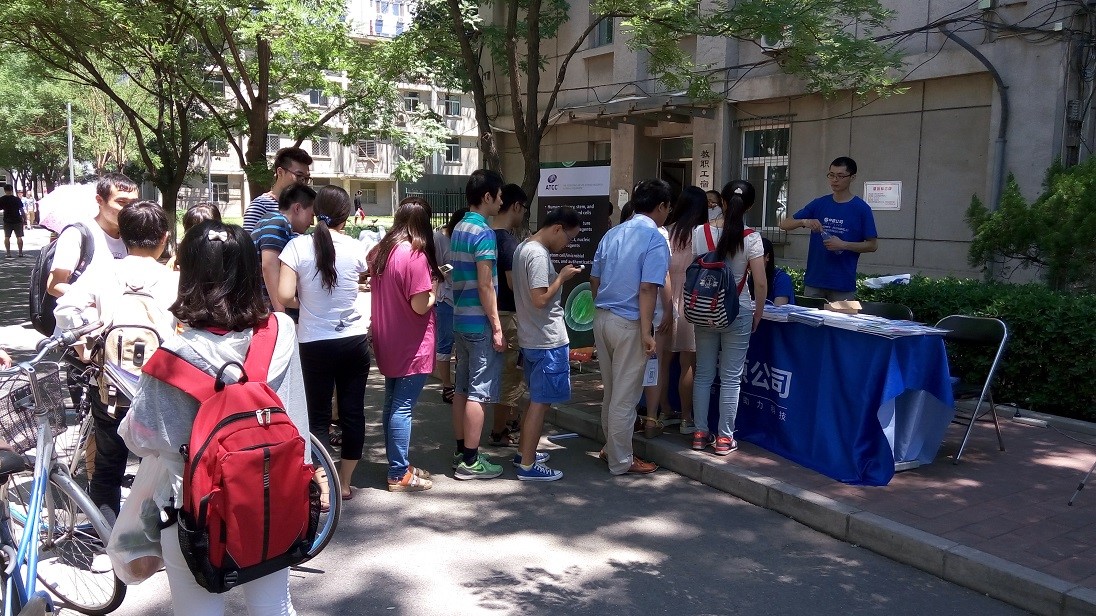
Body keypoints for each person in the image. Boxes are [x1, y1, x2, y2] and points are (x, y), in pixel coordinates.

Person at [120, 221, 307, 615]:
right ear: (250, 271)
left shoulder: (171, 358)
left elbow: (141, 439)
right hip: (271, 500)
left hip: (195, 515)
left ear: (188, 275)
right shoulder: (281, 330)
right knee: (273, 607)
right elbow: (295, 414)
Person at [277, 186, 368, 501]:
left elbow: (284, 295)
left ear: (315, 211)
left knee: (316, 416)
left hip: (314, 343)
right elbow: (362, 275)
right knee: (353, 413)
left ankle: (324, 487)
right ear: (346, 216)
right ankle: (345, 482)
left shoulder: (296, 247)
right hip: (354, 340)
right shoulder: (355, 247)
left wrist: (307, 304)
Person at [590, 179, 671, 475]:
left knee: (612, 393)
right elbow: (648, 288)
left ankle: (611, 449)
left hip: (603, 317)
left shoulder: (612, 233)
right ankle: (621, 460)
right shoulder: (655, 239)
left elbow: (594, 278)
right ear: (661, 206)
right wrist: (647, 331)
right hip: (629, 323)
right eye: (668, 207)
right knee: (624, 397)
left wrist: (603, 307)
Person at [369, 197, 442, 492]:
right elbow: (420, 306)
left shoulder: (380, 251)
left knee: (391, 403)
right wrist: (434, 290)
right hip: (412, 343)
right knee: (403, 407)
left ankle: (397, 464)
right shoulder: (415, 255)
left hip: (388, 339)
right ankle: (398, 472)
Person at [691, 180, 767, 456]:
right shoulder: (752, 238)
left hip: (704, 310)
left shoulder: (700, 232)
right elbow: (760, 282)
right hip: (738, 311)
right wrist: (758, 313)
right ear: (750, 206)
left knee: (703, 374)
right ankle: (724, 439)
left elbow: (695, 270)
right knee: (731, 379)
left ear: (722, 201)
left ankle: (700, 433)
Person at [512, 208, 583, 481]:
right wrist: (562, 277)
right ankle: (527, 465)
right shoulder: (538, 254)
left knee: (534, 401)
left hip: (532, 337)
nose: (568, 244)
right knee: (540, 404)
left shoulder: (523, 248)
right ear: (557, 228)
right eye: (569, 237)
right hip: (546, 340)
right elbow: (540, 299)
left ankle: (524, 453)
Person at [449, 169, 506, 480]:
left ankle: (462, 450)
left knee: (462, 388)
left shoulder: (460, 227)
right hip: (479, 322)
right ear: (487, 196)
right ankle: (470, 461)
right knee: (479, 392)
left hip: (460, 318)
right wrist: (496, 326)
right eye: (499, 197)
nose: (501, 202)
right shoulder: (484, 232)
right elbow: (486, 285)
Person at [778, 156, 877, 301]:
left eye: (840, 176)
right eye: (831, 175)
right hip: (814, 282)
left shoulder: (862, 209)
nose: (834, 180)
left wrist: (844, 245)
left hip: (842, 285)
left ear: (852, 177)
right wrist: (804, 221)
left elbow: (873, 245)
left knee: (840, 317)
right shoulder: (819, 204)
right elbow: (784, 224)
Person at [664, 187, 710, 435]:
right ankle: (685, 418)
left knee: (662, 362)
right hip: (692, 298)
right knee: (688, 363)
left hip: (664, 298)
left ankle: (661, 412)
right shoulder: (701, 234)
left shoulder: (665, 232)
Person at [47, 173, 138, 299]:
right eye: (122, 202)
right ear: (99, 200)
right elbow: (54, 285)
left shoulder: (132, 236)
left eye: (133, 203)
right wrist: (98, 300)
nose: (129, 208)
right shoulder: (76, 235)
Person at [487, 183, 528, 446]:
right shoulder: (509, 243)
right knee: (509, 375)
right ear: (516, 206)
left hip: (485, 313)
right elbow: (514, 285)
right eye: (523, 208)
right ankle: (499, 431)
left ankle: (507, 423)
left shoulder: (484, 236)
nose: (523, 214)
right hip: (507, 315)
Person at [252, 184, 316, 314]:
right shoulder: (277, 223)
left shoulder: (274, 221)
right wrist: (280, 312)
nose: (312, 222)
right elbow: (269, 265)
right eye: (311, 215)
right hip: (270, 311)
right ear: (297, 208)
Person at [433, 207, 467, 404]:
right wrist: (449, 268)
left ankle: (461, 385)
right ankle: (447, 385)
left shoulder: (465, 240)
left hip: (465, 298)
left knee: (463, 344)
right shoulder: (440, 238)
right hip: (446, 298)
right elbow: (434, 268)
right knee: (445, 343)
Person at [242, 147, 313, 233]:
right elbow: (248, 241)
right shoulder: (260, 207)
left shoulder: (303, 207)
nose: (303, 182)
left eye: (306, 178)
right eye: (299, 176)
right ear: (280, 172)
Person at [756, 237, 795, 305]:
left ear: (767, 257)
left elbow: (779, 309)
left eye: (755, 257)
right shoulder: (749, 277)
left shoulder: (782, 279)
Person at [1, 184, 25, 258]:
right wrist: (24, 218)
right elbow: (21, 209)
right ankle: (20, 252)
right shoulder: (17, 199)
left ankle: (8, 253)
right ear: (11, 190)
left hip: (7, 220)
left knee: (7, 237)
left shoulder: (2, 199)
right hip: (17, 219)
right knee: (19, 237)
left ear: (5, 190)